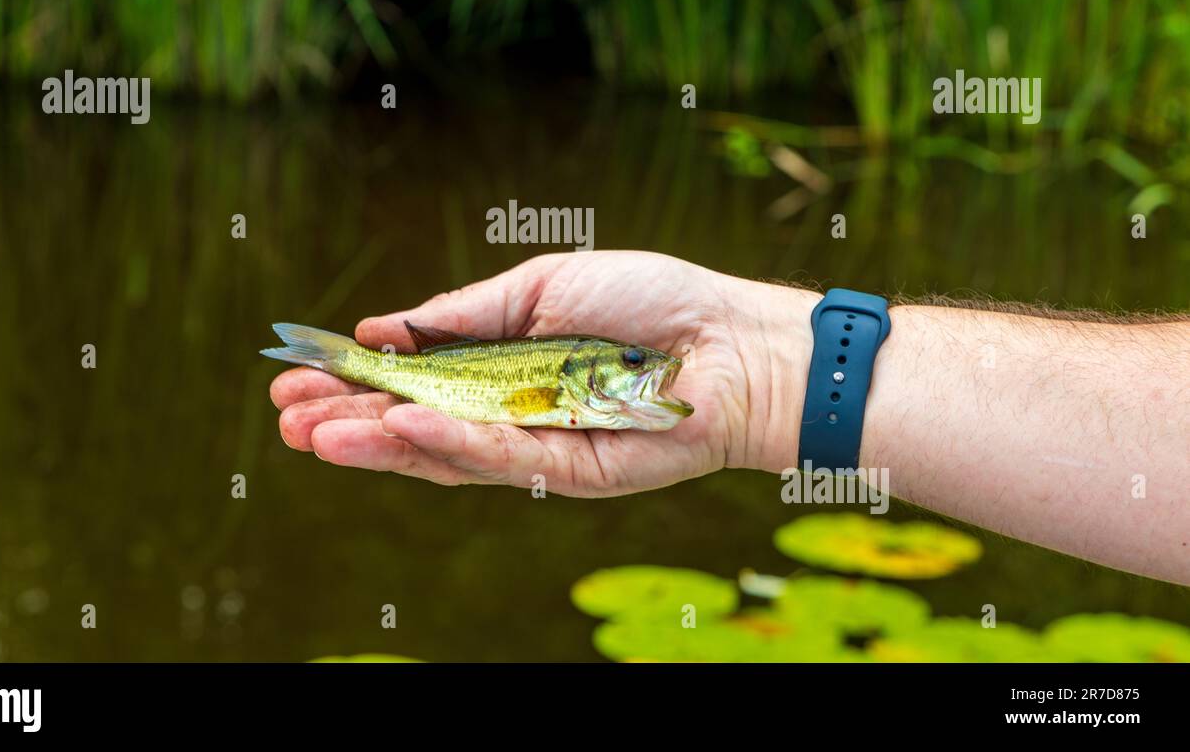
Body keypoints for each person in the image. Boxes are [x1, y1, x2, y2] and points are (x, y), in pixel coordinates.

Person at [269, 250, 1190, 586]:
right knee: (382, 399)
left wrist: (772, 369)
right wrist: (775, 366)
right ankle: (337, 357)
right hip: (433, 375)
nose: (650, 372)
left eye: (638, 363)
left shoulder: (622, 390)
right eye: (632, 365)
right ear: (588, 373)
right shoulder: (559, 380)